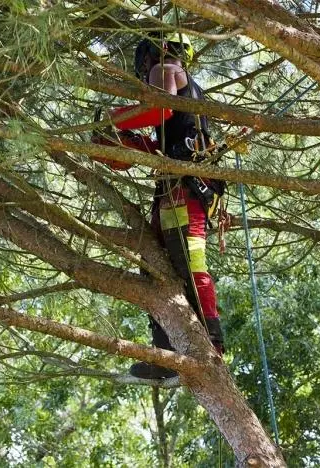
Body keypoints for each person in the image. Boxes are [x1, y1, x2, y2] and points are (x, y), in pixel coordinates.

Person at [93, 35, 225, 379]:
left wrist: (113, 119)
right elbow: (166, 138)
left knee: (188, 261)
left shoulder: (165, 68)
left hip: (185, 186)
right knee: (156, 269)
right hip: (176, 184)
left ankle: (210, 343)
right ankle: (167, 356)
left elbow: (158, 107)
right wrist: (127, 144)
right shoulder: (191, 90)